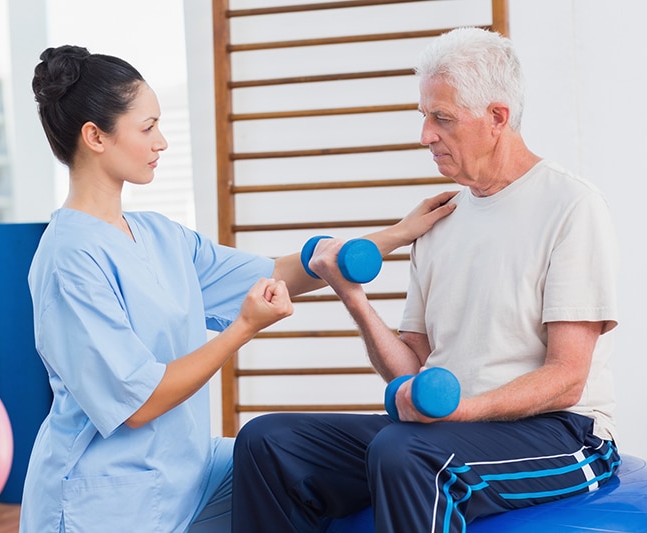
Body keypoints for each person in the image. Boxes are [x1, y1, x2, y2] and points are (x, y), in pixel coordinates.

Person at [20, 45, 456, 533]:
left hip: (191, 474)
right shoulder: (69, 258)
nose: (162, 142)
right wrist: (243, 329)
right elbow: (138, 405)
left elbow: (276, 272)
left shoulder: (159, 235)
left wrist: (396, 233)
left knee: (296, 457)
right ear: (95, 137)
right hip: (108, 504)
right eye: (147, 128)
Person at [231, 27, 621, 532]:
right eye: (424, 116)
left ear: (497, 118)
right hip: (452, 429)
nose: (426, 135)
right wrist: (354, 299)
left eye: (443, 119)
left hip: (563, 435)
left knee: (405, 452)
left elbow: (567, 378)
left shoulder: (571, 206)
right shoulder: (442, 217)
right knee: (268, 441)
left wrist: (460, 412)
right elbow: (410, 367)